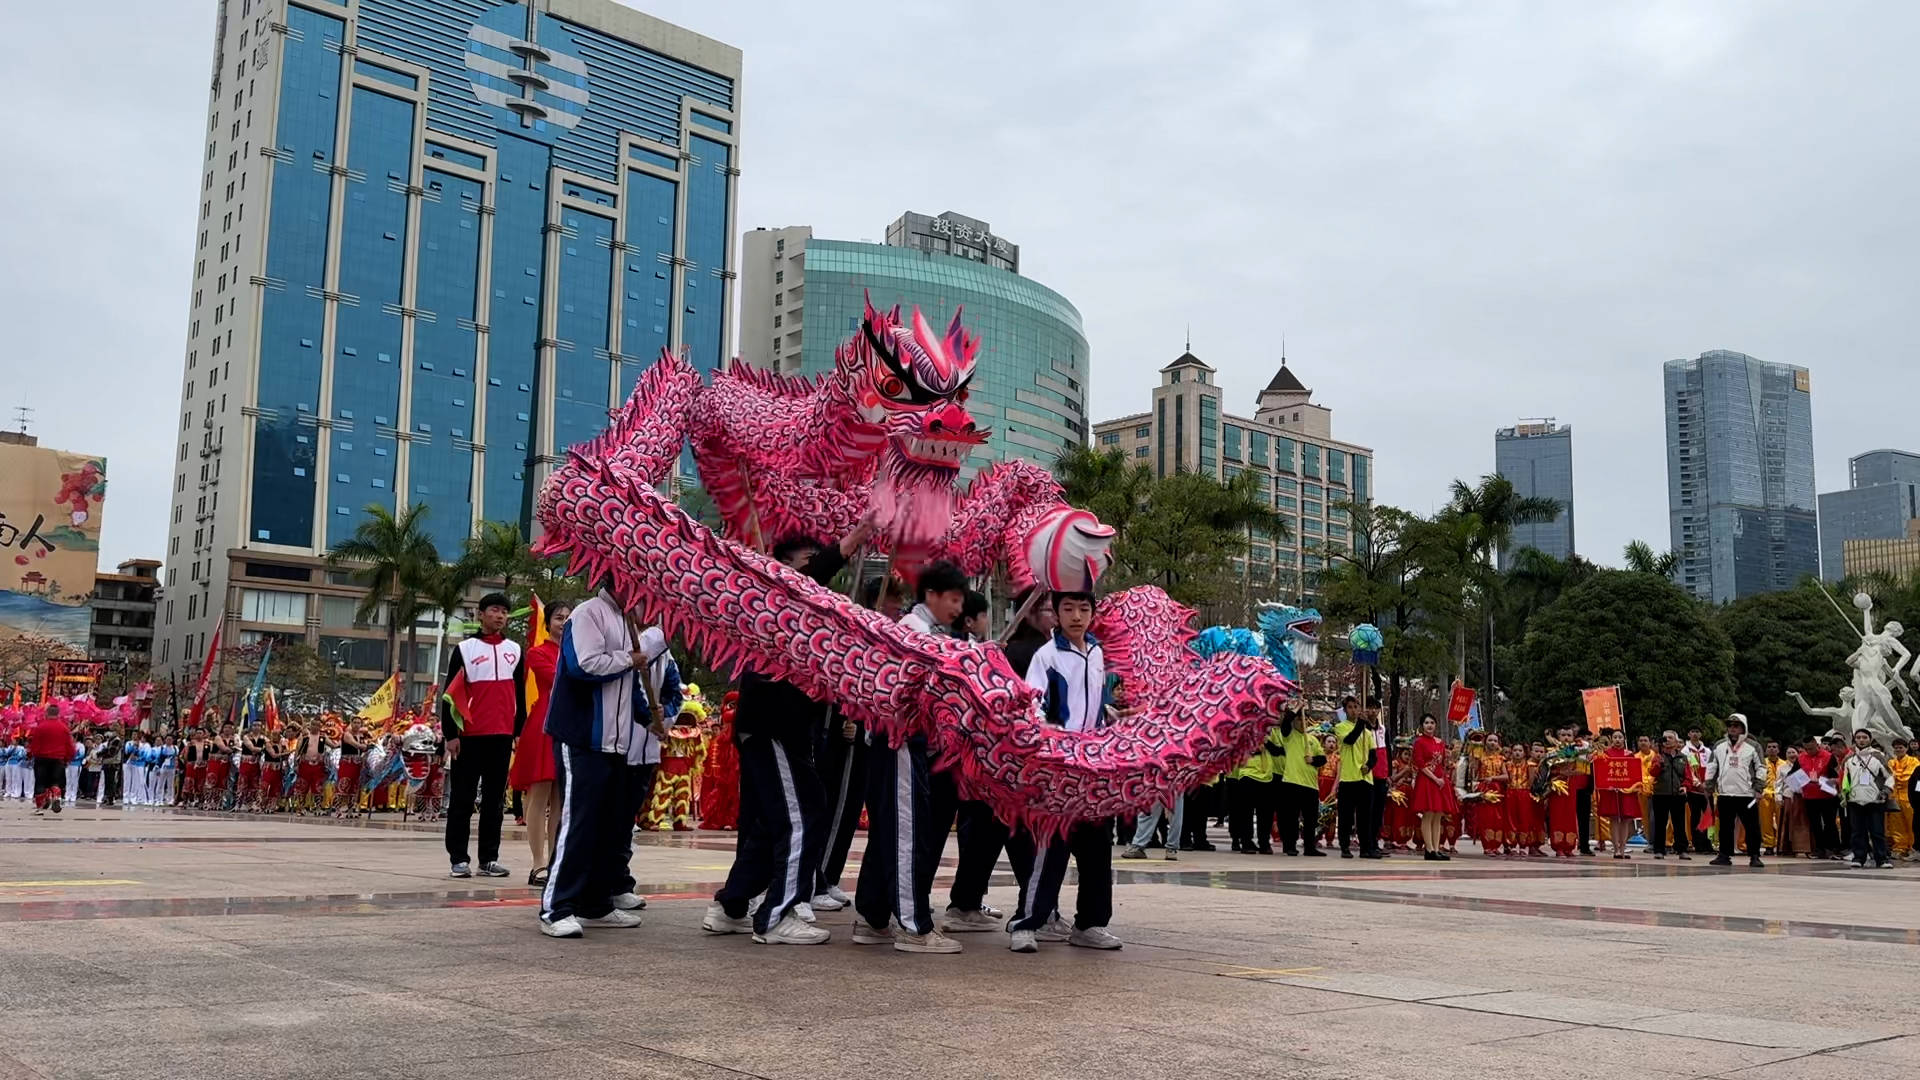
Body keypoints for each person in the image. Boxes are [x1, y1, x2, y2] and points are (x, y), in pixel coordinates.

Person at [538, 582, 676, 939]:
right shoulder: (587, 614)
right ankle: (556, 908)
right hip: (582, 737)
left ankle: (596, 904)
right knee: (579, 824)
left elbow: (627, 687)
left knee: (607, 826)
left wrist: (650, 721)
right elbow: (584, 665)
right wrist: (630, 658)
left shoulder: (625, 620)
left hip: (616, 743)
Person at [850, 558, 968, 953]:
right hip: (898, 741)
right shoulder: (912, 634)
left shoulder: (931, 633)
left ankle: (871, 915)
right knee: (907, 833)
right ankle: (914, 925)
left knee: (890, 832)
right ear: (931, 595)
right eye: (952, 599)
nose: (957, 608)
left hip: (906, 744)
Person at [1007, 589, 1126, 954]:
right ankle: (1029, 922)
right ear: (1056, 613)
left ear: (1093, 613)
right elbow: (1035, 708)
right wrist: (1054, 744)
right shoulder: (1047, 656)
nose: (1077, 615)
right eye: (1068, 608)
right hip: (1060, 767)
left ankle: (1090, 923)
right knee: (1050, 849)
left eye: (1084, 608)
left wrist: (1109, 715)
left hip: (1094, 767)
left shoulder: (1097, 653)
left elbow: (1092, 702)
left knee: (1096, 848)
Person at [440, 592, 527, 879]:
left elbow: (520, 695)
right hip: (469, 736)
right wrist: (450, 734)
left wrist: (518, 731)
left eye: (504, 611)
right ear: (481, 614)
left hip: (501, 736)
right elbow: (449, 696)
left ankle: (488, 858)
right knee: (463, 799)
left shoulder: (515, 649)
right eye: (494, 610)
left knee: (494, 801)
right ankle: (458, 858)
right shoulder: (465, 649)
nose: (500, 615)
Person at [511, 600, 570, 885]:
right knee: (539, 795)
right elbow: (557, 679)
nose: (564, 622)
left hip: (570, 726)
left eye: (569, 618)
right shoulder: (537, 652)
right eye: (559, 617)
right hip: (544, 725)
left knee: (560, 797)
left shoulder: (578, 651)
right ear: (548, 623)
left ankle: (555, 861)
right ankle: (538, 864)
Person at [1704, 713, 1765, 868]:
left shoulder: (1753, 746)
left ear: (1743, 728)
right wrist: (1709, 786)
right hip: (1725, 794)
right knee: (1725, 826)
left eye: (1736, 726)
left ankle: (1754, 855)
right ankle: (1724, 855)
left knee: (1752, 826)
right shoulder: (1719, 745)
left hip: (1747, 794)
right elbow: (1712, 767)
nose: (1732, 729)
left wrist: (1758, 788)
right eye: (1730, 726)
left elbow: (1761, 768)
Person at [1273, 703, 1326, 856]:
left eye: (1303, 720)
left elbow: (1322, 759)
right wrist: (1296, 708)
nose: (1301, 723)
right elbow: (1285, 724)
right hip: (1292, 782)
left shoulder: (1313, 740)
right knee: (1291, 817)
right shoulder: (1289, 736)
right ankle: (1289, 845)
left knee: (1311, 819)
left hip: (1310, 784)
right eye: (1298, 720)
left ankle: (1310, 846)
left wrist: (1313, 760)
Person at [1843, 729, 1895, 869]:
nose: (1861, 740)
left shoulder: (1878, 756)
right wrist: (1844, 793)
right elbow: (1845, 779)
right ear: (1855, 740)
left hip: (1875, 799)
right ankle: (1859, 857)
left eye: (1864, 737)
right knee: (1857, 831)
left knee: (1877, 831)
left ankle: (1882, 859)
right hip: (1855, 799)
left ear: (1870, 739)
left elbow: (1890, 776)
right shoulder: (1849, 758)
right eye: (1858, 737)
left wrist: (1885, 791)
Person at [1334, 702, 1379, 858]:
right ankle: (1344, 846)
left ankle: (1365, 848)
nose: (1354, 710)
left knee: (1365, 816)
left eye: (1356, 707)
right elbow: (1349, 740)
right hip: (1348, 777)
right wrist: (1361, 722)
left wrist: (1369, 765)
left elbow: (1374, 755)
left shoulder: (1368, 733)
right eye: (1351, 707)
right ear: (1345, 710)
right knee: (1346, 816)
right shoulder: (1341, 727)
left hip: (1365, 778)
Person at [1410, 714, 1451, 860]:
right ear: (1422, 725)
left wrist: (1442, 779)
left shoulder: (1440, 742)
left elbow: (1443, 763)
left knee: (1438, 815)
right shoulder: (1419, 742)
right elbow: (1420, 764)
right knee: (1428, 814)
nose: (1429, 725)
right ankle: (1429, 849)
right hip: (1427, 780)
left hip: (1440, 781)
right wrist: (1435, 778)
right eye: (1426, 722)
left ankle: (1436, 848)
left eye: (1432, 722)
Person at [1648, 731, 1692, 860]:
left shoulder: (1682, 758)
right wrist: (1659, 764)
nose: (1667, 740)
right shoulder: (1658, 756)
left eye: (1670, 738)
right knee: (1660, 823)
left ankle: (1682, 849)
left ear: (1676, 741)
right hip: (1660, 794)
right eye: (1665, 738)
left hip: (1677, 794)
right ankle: (1659, 850)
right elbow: (1653, 773)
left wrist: (1685, 786)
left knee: (1679, 823)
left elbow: (1687, 776)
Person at [1796, 734, 1841, 859]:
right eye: (1807, 749)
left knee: (1830, 823)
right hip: (1809, 796)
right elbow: (1793, 773)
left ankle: (1832, 848)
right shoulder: (1800, 758)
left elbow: (1837, 775)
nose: (1809, 752)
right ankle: (1819, 849)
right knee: (1815, 823)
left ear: (1817, 745)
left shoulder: (1828, 757)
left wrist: (1829, 781)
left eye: (1812, 748)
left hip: (1827, 795)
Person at [29, 705, 73, 815]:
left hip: (42, 758)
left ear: (46, 713)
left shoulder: (40, 727)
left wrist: (31, 754)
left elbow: (35, 744)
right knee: (56, 781)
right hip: (58, 759)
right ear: (58, 714)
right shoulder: (64, 728)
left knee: (40, 782)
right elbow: (69, 746)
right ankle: (56, 796)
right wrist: (67, 759)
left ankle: (40, 807)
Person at [1682, 727, 1711, 852]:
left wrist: (1708, 784)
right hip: (1694, 790)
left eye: (1697, 732)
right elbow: (1688, 770)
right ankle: (1697, 843)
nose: (1695, 734)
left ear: (1701, 734)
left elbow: (1712, 767)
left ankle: (1708, 842)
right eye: (1692, 731)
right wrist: (1697, 783)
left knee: (1709, 815)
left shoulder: (1708, 751)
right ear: (1689, 734)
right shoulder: (1686, 751)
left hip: (1707, 789)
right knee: (1695, 816)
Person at [1888, 738, 1916, 861]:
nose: (1898, 749)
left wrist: (1895, 776)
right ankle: (1899, 847)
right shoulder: (1891, 762)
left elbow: (1907, 777)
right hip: (1894, 797)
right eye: (1896, 747)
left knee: (1912, 824)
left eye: (1901, 747)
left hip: (1909, 797)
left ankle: (1913, 847)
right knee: (1896, 824)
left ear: (1906, 748)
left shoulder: (1913, 761)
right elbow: (1887, 776)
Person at [334, 723, 367, 819]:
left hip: (357, 764)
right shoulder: (347, 734)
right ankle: (337, 810)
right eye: (355, 722)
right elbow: (354, 744)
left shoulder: (361, 736)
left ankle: (350, 811)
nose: (357, 725)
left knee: (354, 788)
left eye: (358, 722)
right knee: (343, 786)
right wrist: (362, 746)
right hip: (347, 763)